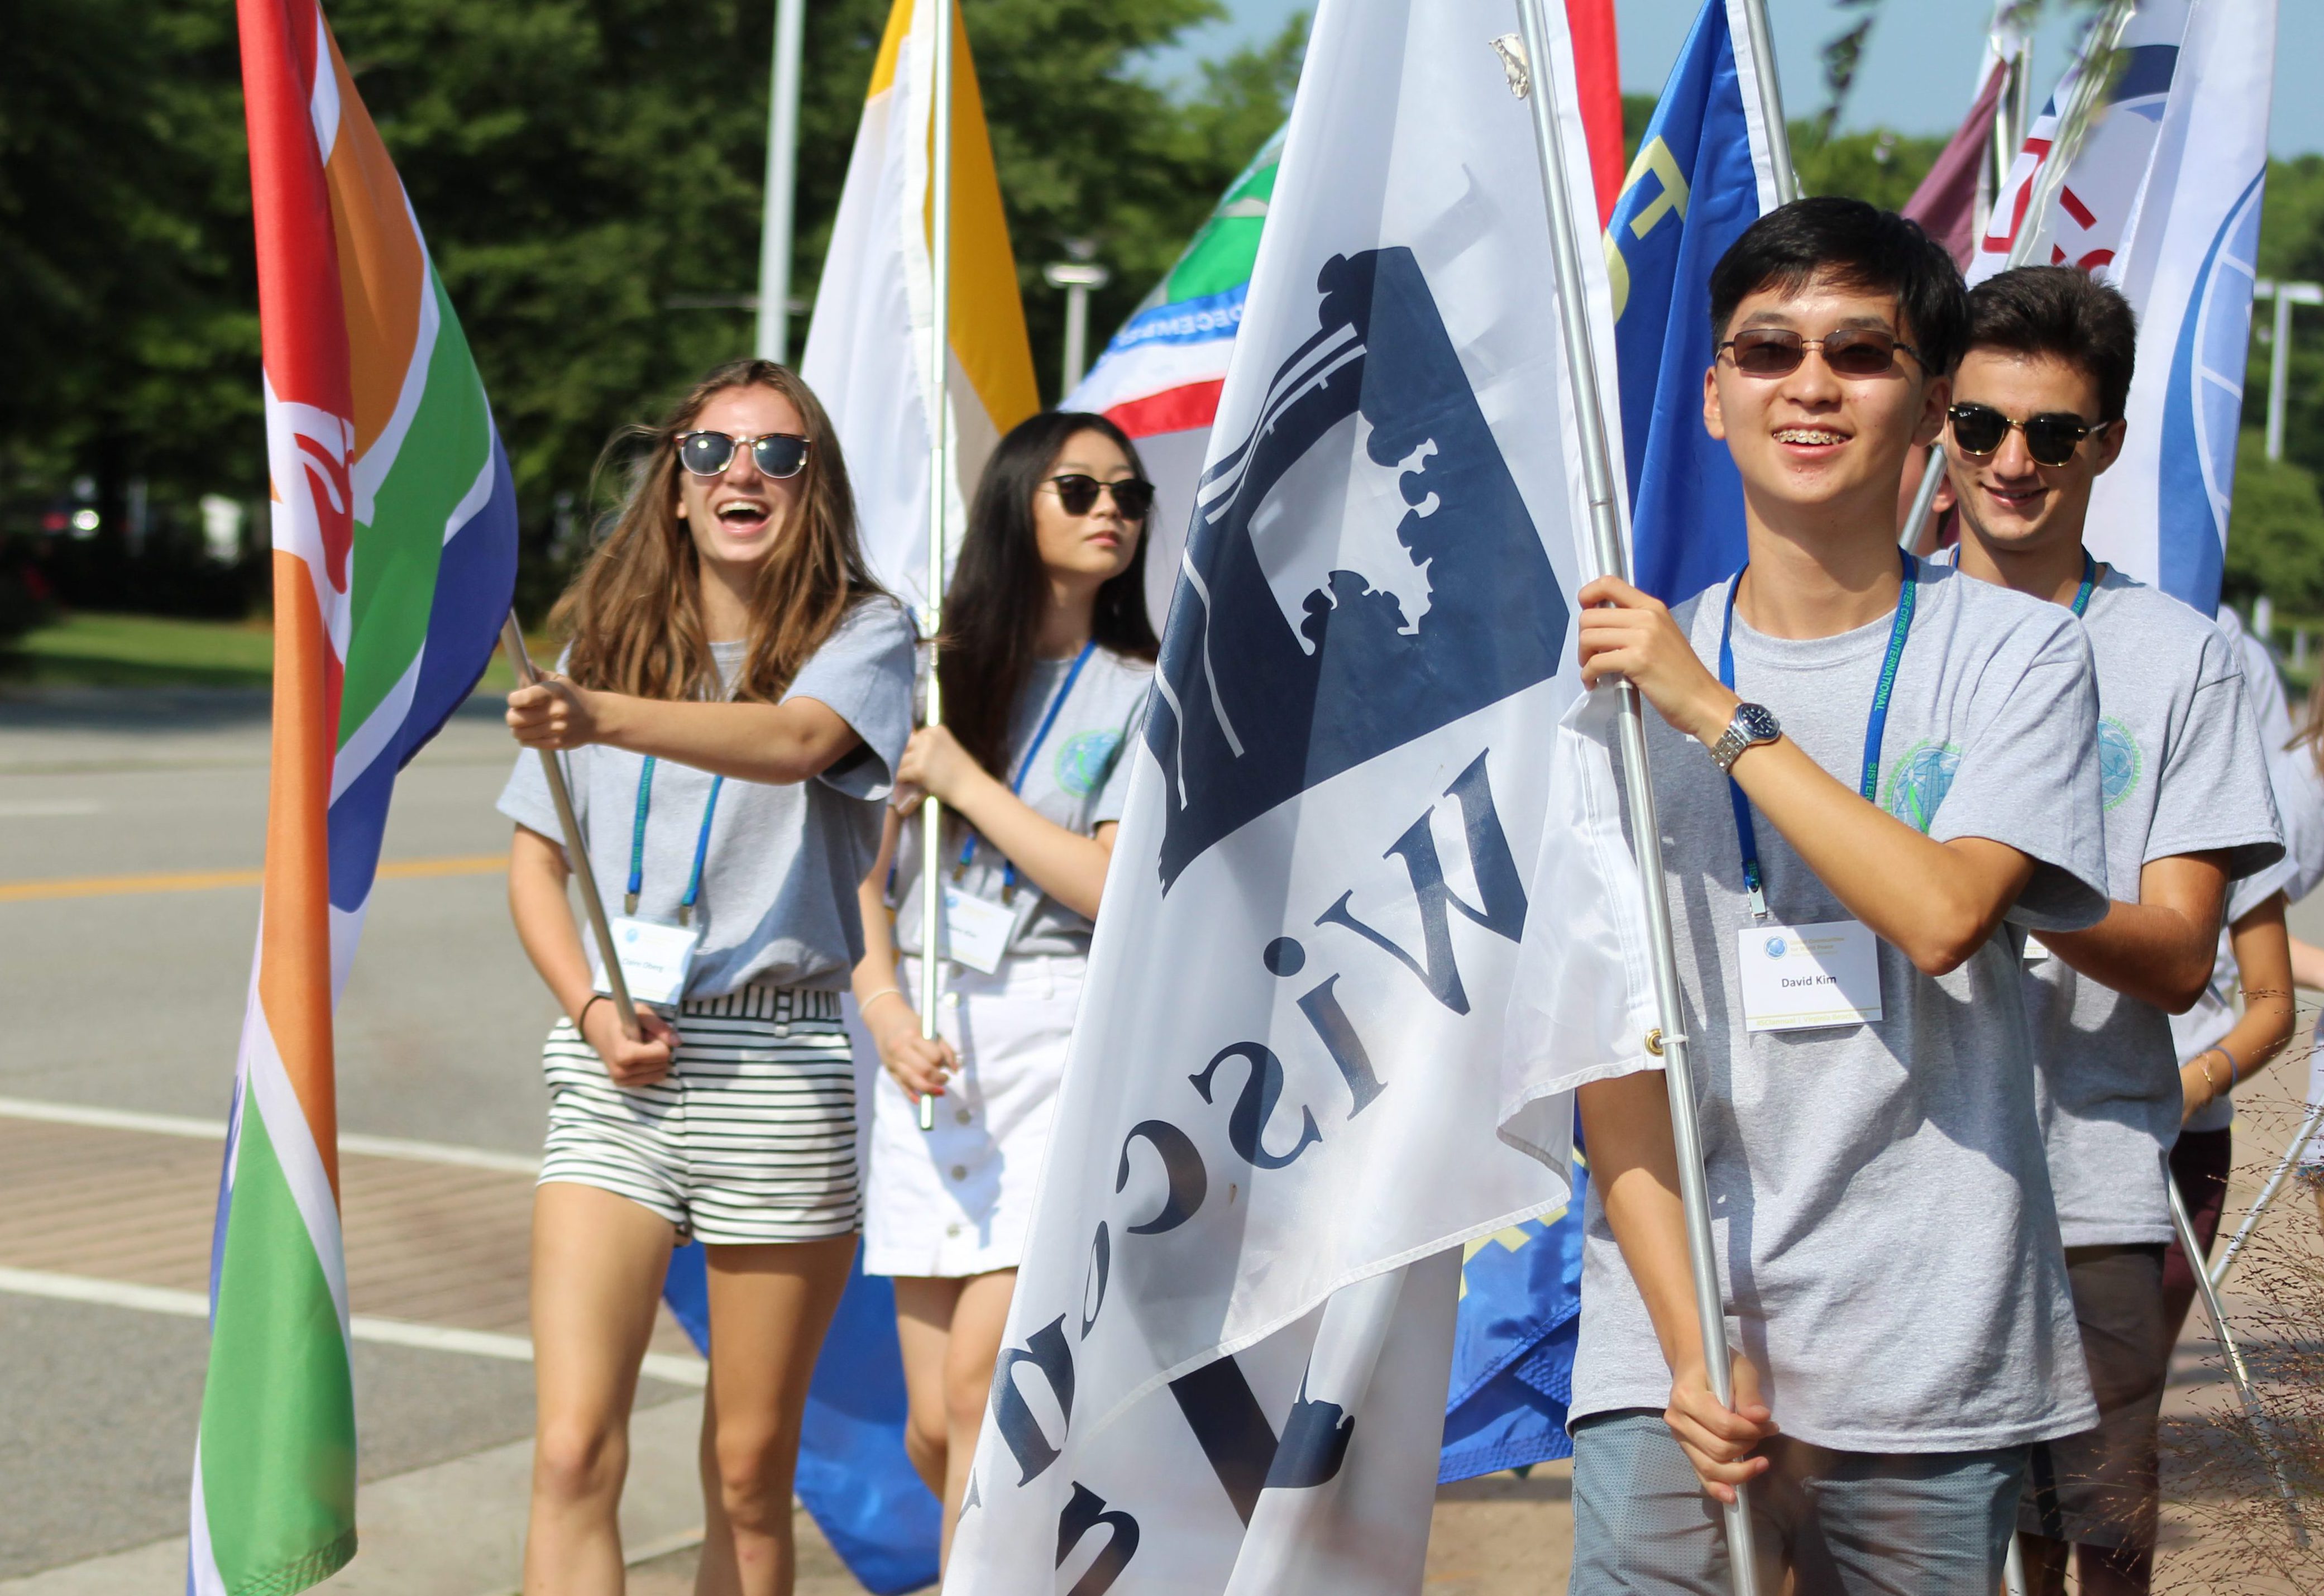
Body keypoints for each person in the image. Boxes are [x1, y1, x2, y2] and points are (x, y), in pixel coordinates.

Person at [1566, 199, 2112, 1596]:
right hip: (1674, 1352)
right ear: (1711, 394)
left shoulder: (2018, 659)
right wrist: (1689, 1357)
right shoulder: (1604, 702)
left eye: (1858, 354)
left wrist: (1715, 711)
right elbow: (1610, 1068)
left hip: (1929, 1352)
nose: (1808, 385)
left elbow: (1940, 918)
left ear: (1930, 405)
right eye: (1767, 349)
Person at [499, 358, 916, 1596]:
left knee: (746, 1474)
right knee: (572, 1447)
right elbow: (533, 871)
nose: (744, 474)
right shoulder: (604, 646)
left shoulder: (863, 631)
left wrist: (599, 713)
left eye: (778, 455)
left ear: (812, 488)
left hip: (774, 1068)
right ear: (672, 486)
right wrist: (587, 1003)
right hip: (612, 1071)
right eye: (711, 452)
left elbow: (790, 744)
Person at [1936, 266, 2283, 1596]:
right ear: (1936, 423)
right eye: (1979, 427)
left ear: (2107, 446)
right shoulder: (1870, 627)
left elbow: (2189, 957)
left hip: (2087, 1188)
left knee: (2096, 1558)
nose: (2010, 461)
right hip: (1888, 1180)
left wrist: (1996, 882)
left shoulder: (2175, 656)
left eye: (2052, 434)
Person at [848, 412, 1158, 1561]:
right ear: (1016, 503)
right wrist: (883, 1009)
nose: (1110, 512)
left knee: (984, 1391)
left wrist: (968, 784)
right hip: (925, 1045)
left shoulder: (1143, 689)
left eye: (1126, 495)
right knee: (938, 1425)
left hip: (1056, 1038)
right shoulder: (927, 676)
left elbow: (1109, 886)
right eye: (1078, 490)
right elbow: (862, 882)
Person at [2167, 604, 2315, 1341]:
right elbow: (2239, 943)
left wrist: (2191, 1085)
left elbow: (2266, 976)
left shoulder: (2224, 636)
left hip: (2188, 1106)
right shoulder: (2291, 791)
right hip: (2165, 1051)